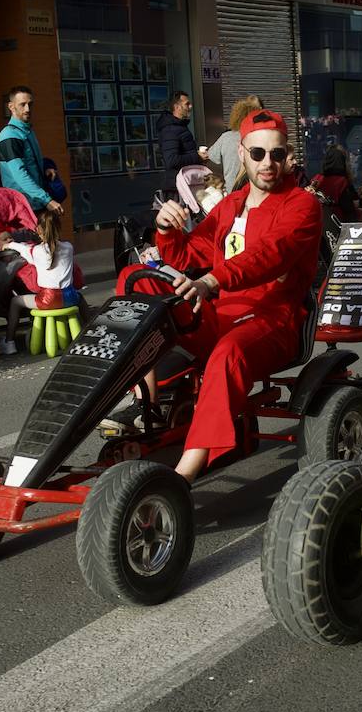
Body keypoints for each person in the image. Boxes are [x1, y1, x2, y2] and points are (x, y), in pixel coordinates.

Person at [113, 108, 322, 482]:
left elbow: (269, 256)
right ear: (241, 153)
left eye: (276, 154)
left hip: (272, 321)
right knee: (135, 277)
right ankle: (143, 398)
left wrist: (211, 281)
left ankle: (183, 475)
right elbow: (186, 254)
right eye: (257, 153)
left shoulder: (302, 206)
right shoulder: (231, 204)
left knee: (227, 352)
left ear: (287, 154)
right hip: (220, 314)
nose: (267, 163)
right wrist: (165, 230)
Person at [0, 209, 90, 350]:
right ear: (58, 228)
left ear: (38, 230)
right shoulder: (69, 247)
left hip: (48, 299)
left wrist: (7, 245)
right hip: (70, 297)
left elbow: (22, 248)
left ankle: (9, 343)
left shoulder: (36, 251)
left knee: (15, 301)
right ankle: (92, 331)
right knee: (80, 298)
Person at [0, 86, 63, 216]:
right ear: (11, 107)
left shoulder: (26, 131)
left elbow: (30, 161)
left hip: (36, 202)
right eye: (22, 104)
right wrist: (47, 200)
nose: (27, 109)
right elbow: (19, 174)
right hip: (23, 208)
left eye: (30, 104)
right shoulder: (9, 135)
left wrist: (44, 167)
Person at [205, 95, 263, 190]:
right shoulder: (258, 137)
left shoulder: (226, 137)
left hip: (231, 189)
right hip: (254, 189)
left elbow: (212, 156)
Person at [157, 91, 201, 190]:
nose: (190, 107)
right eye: (187, 104)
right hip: (177, 185)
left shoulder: (180, 126)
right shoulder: (170, 130)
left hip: (184, 181)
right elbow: (171, 160)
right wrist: (197, 157)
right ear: (177, 107)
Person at [310, 145, 362, 224]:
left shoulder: (317, 178)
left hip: (319, 222)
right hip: (337, 222)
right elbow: (348, 208)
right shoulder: (341, 181)